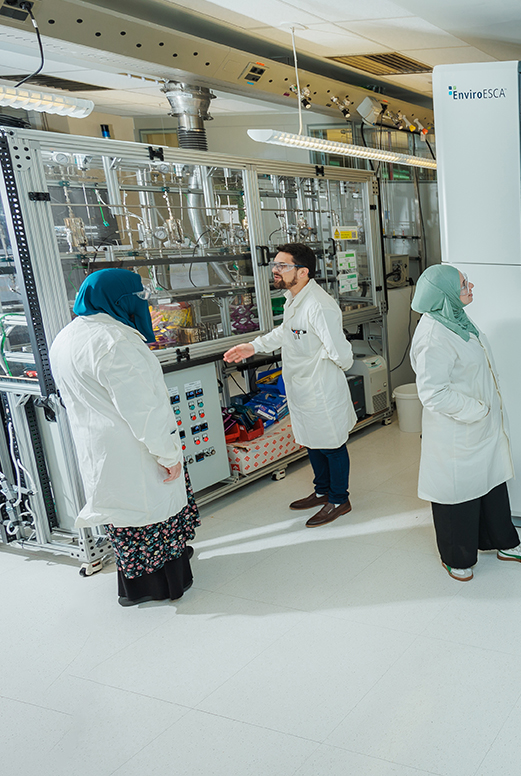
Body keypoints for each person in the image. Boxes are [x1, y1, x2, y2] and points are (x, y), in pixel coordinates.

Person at [49, 269, 197, 607]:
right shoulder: (116, 342)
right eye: (138, 296)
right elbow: (144, 410)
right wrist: (168, 454)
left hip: (99, 447)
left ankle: (136, 585)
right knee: (151, 515)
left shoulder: (68, 336)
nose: (143, 303)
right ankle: (162, 586)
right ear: (118, 300)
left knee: (125, 520)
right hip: (136, 448)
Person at [409, 264, 521, 581]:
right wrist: (478, 411)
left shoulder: (457, 319)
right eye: (463, 284)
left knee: (492, 485)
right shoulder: (433, 336)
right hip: (458, 429)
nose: (471, 287)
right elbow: (433, 393)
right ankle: (456, 557)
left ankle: (505, 543)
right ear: (443, 294)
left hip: (482, 426)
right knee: (457, 495)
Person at [222, 244, 355, 528]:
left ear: (303, 272)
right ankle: (322, 491)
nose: (275, 270)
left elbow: (342, 354)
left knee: (331, 444)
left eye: (282, 266)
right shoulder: (293, 298)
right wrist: (252, 346)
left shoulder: (319, 305)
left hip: (320, 388)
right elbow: (286, 332)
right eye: (275, 265)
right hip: (301, 387)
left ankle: (339, 499)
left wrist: (320, 370)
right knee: (311, 441)